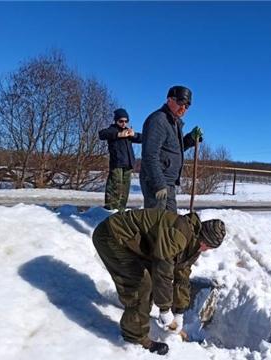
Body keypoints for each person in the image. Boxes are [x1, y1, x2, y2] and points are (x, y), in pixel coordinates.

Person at [92, 208, 226, 356]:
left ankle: (139, 319)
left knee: (148, 281)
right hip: (112, 236)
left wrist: (179, 312)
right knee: (142, 284)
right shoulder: (177, 234)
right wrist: (165, 309)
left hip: (132, 244)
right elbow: (163, 271)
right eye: (208, 245)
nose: (207, 249)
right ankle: (135, 338)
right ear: (202, 238)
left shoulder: (193, 245)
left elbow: (182, 274)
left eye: (210, 247)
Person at [140, 85, 203, 211]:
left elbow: (172, 150)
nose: (183, 108)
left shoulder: (174, 122)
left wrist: (190, 138)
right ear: (169, 100)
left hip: (168, 183)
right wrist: (158, 183)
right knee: (157, 225)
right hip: (157, 181)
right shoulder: (159, 120)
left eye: (187, 106)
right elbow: (150, 154)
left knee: (170, 223)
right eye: (181, 102)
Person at [99, 108, 142, 212]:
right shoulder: (113, 130)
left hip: (128, 165)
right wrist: (118, 135)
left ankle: (121, 210)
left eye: (126, 121)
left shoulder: (128, 132)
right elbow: (102, 134)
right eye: (121, 121)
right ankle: (110, 210)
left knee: (124, 191)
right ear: (116, 120)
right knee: (114, 189)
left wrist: (134, 135)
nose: (124, 123)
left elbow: (142, 138)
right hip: (117, 164)